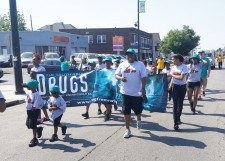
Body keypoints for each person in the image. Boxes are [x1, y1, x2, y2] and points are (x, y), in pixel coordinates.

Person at [115, 48, 147, 138]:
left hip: (137, 93)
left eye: (131, 54)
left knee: (138, 110)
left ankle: (139, 119)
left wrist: (143, 88)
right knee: (126, 111)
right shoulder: (122, 64)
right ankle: (127, 130)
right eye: (128, 54)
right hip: (125, 92)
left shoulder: (140, 64)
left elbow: (144, 77)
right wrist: (121, 78)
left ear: (134, 56)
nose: (129, 56)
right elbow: (116, 75)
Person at [169, 54, 188, 131]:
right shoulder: (173, 68)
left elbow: (181, 77)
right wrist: (170, 85)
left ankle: (178, 117)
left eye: (173, 59)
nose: (172, 61)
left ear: (178, 60)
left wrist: (171, 75)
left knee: (180, 104)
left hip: (182, 87)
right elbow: (172, 78)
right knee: (175, 104)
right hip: (175, 87)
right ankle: (175, 122)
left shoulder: (184, 67)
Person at [22, 79, 44, 147]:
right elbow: (28, 100)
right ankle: (38, 129)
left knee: (32, 124)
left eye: (27, 86)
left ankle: (35, 139)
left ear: (33, 87)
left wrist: (33, 107)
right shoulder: (29, 93)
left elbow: (37, 104)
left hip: (34, 111)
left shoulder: (37, 94)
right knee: (28, 124)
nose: (26, 87)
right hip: (29, 111)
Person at [30, 54, 50, 123]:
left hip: (41, 88)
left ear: (38, 61)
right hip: (35, 88)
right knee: (38, 103)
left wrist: (36, 73)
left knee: (41, 103)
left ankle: (42, 118)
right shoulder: (32, 68)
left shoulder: (42, 68)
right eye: (33, 59)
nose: (33, 61)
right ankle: (43, 117)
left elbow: (43, 77)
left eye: (35, 59)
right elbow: (32, 79)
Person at [102, 57, 115, 121]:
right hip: (103, 89)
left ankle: (107, 115)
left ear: (111, 63)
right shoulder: (102, 71)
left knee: (109, 102)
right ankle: (108, 109)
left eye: (108, 62)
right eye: (106, 62)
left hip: (111, 89)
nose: (107, 63)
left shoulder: (114, 70)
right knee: (103, 101)